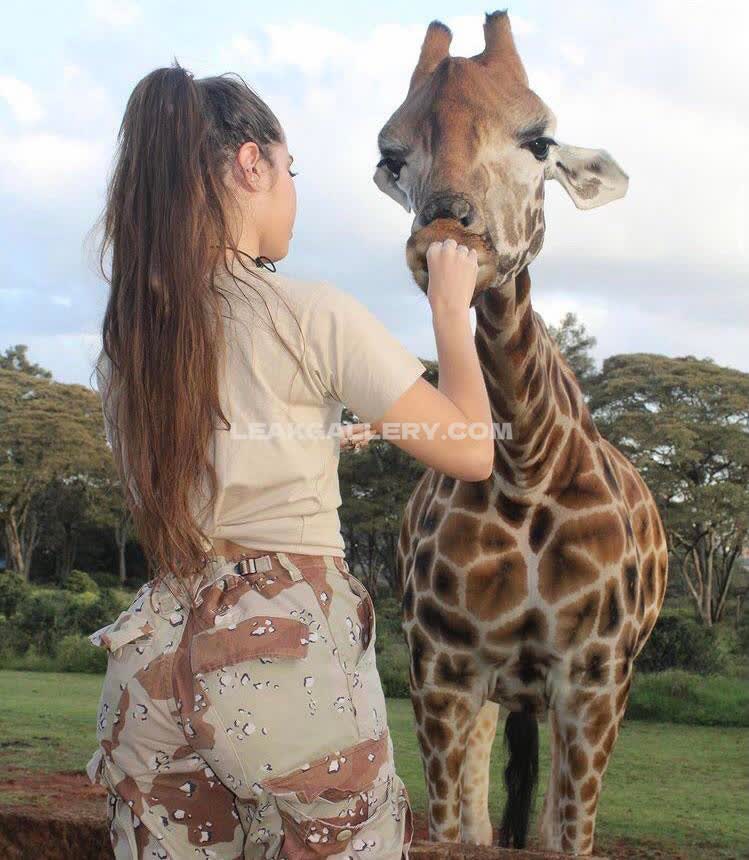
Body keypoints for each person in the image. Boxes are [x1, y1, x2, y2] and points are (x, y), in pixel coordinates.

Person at [85, 60, 492, 859]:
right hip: (281, 653)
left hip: (153, 653)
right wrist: (451, 314)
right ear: (251, 164)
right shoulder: (307, 312)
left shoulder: (132, 340)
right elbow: (470, 450)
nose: (293, 191)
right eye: (289, 169)